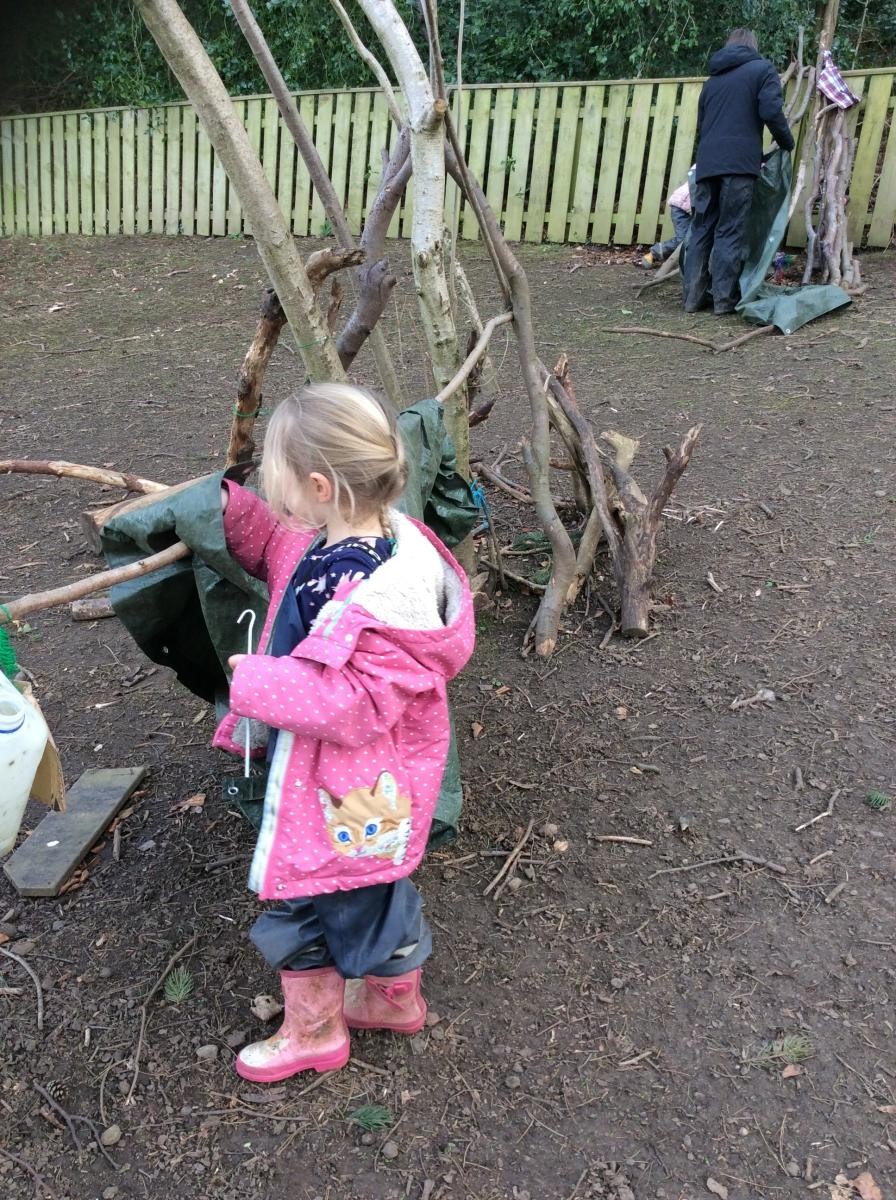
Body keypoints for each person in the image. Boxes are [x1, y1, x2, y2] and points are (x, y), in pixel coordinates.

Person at [212, 383, 474, 1083]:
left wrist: (253, 680)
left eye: (278, 485)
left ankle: (315, 1033)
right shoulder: (366, 533)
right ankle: (392, 999)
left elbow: (355, 701)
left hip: (338, 785)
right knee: (372, 887)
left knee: (305, 894)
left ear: (320, 486)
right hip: (366, 788)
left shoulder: (361, 592)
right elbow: (281, 543)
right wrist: (229, 509)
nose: (275, 500)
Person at [682, 28, 794, 315]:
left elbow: (703, 125)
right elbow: (770, 111)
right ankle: (723, 301)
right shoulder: (763, 70)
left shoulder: (712, 82)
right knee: (730, 230)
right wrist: (786, 142)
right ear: (753, 46)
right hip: (739, 165)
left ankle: (693, 299)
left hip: (707, 164)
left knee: (702, 228)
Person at [640, 169, 694, 268]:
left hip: (688, 206)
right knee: (683, 239)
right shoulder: (708, 168)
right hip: (681, 207)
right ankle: (653, 253)